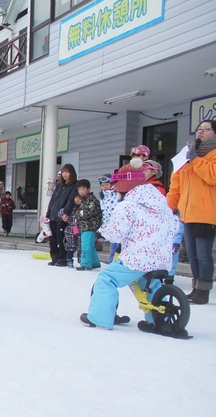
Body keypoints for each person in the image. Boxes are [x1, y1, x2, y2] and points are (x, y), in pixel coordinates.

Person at [81, 184, 178, 332]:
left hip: (139, 258)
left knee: (107, 278)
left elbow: (117, 231)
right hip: (161, 260)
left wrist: (101, 234)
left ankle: (100, 318)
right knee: (149, 284)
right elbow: (175, 227)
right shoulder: (164, 208)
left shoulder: (128, 205)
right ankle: (160, 320)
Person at [167, 119, 216, 304]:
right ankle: (196, 287)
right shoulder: (187, 154)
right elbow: (176, 185)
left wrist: (195, 159)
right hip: (187, 214)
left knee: (204, 254)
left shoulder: (210, 155)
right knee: (192, 255)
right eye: (199, 129)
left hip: (206, 213)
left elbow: (212, 176)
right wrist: (169, 207)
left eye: (206, 129)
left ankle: (204, 290)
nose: (201, 132)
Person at [45, 164, 78, 267]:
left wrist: (66, 213)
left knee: (61, 238)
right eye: (63, 172)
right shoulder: (59, 185)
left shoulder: (75, 185)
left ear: (71, 173)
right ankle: (54, 257)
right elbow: (53, 200)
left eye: (67, 172)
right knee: (53, 238)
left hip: (63, 216)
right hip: (53, 215)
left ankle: (62, 258)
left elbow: (71, 200)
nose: (65, 174)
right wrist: (48, 213)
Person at [74, 179, 102, 271]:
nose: (81, 192)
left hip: (91, 226)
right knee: (90, 245)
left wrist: (80, 214)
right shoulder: (83, 200)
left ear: (89, 189)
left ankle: (85, 264)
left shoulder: (92, 200)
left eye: (83, 189)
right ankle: (94, 262)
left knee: (85, 245)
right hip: (84, 226)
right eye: (79, 190)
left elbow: (89, 212)